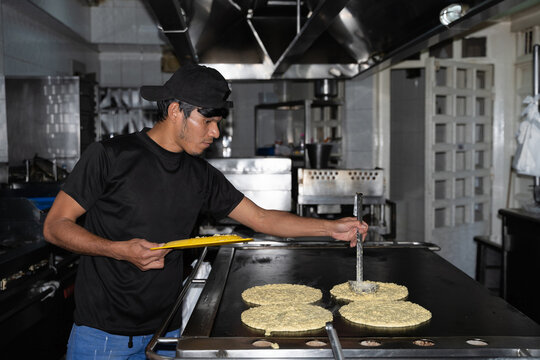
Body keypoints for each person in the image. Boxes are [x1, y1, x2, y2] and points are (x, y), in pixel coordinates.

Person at [43, 63, 368, 360]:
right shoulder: (110, 157)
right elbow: (55, 226)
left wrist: (330, 228)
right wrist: (118, 251)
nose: (215, 132)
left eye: (218, 122)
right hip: (103, 337)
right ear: (175, 111)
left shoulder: (200, 174)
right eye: (207, 120)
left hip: (165, 332)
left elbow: (263, 219)